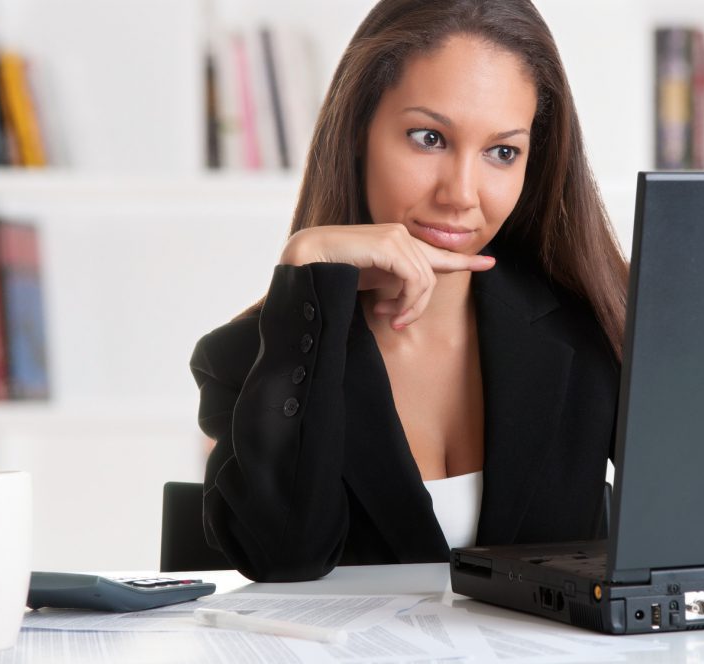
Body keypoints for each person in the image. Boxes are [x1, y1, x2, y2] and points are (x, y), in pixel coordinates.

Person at [191, 0, 630, 582]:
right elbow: (284, 559)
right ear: (357, 135)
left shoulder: (595, 328)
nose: (462, 194)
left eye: (503, 152)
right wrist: (308, 265)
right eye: (429, 138)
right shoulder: (253, 359)